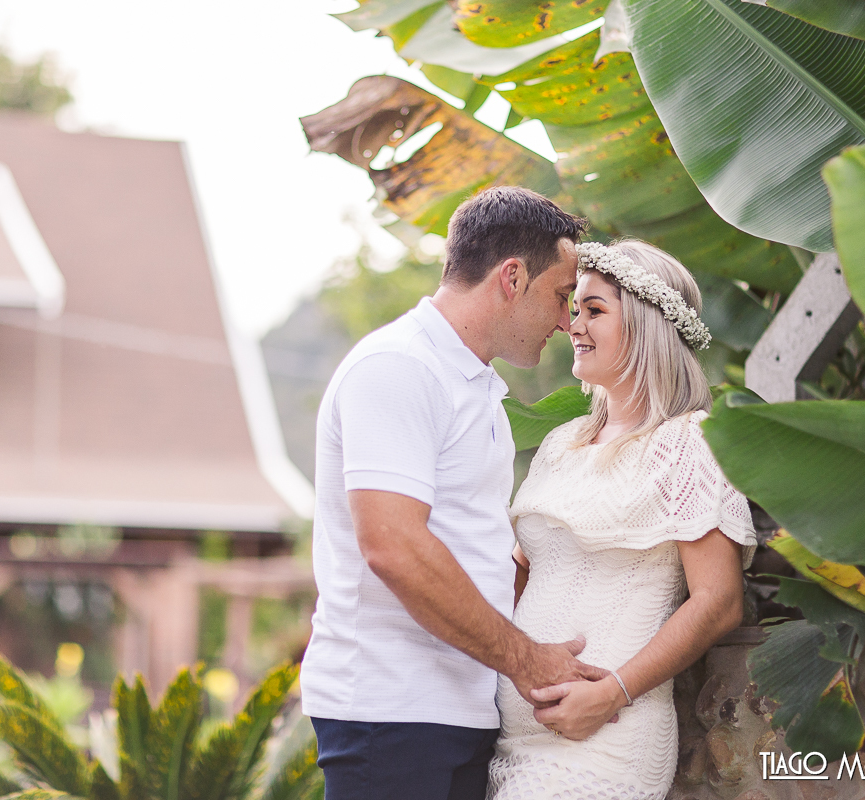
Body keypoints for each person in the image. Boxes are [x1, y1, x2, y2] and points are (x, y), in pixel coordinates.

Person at [300, 186, 607, 800]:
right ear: (511, 278)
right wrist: (528, 661)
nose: (564, 321)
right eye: (559, 295)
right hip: (390, 716)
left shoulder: (475, 385)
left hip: (456, 711)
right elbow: (392, 546)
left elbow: (472, 542)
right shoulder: (399, 367)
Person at [486, 239, 756, 800]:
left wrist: (611, 692)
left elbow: (720, 600)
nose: (573, 325)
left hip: (608, 739)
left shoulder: (686, 442)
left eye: (594, 310)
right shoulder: (561, 443)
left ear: (646, 326)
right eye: (575, 309)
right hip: (513, 743)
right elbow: (521, 573)